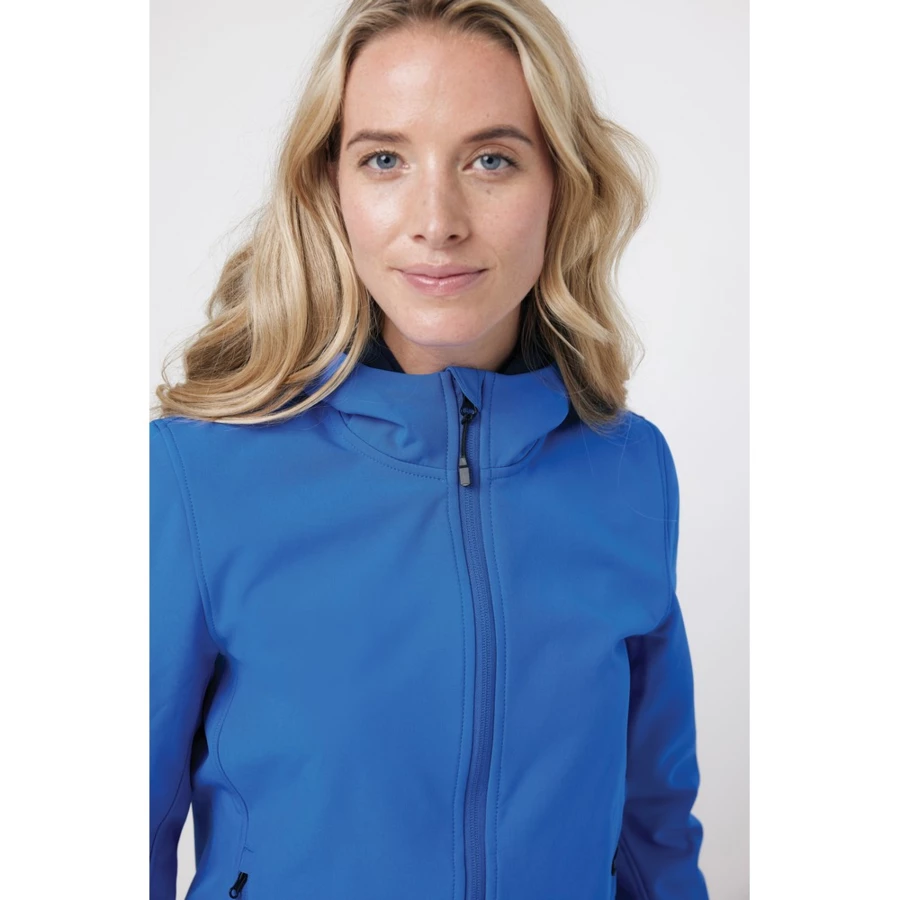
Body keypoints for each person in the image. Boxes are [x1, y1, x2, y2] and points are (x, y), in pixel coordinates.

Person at [150, 0, 709, 898]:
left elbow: (654, 835)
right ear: (329, 186)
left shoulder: (626, 467)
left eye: (491, 160)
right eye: (385, 160)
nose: (437, 220)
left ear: (561, 183)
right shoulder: (196, 474)